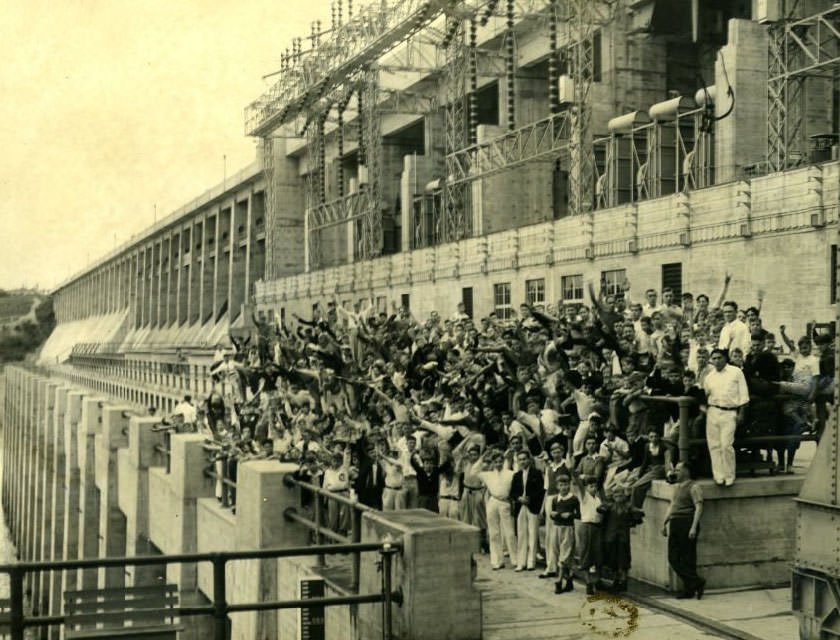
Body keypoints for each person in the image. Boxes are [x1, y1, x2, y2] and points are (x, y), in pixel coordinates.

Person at [701, 348, 749, 486]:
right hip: (713, 412)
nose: (716, 361)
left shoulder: (736, 372)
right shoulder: (709, 377)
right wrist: (704, 410)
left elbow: (743, 395)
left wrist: (741, 413)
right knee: (714, 445)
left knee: (726, 445)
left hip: (730, 412)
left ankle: (729, 475)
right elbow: (703, 396)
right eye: (714, 358)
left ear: (725, 358)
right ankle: (718, 475)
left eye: (719, 358)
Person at [662, 462, 705, 599]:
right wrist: (664, 522)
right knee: (673, 557)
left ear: (686, 471)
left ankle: (690, 589)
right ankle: (696, 582)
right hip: (675, 522)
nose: (675, 472)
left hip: (687, 522)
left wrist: (693, 527)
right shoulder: (676, 487)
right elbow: (671, 506)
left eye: (678, 470)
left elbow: (698, 507)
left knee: (688, 557)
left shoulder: (694, 487)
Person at [479, 450, 517, 570]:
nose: (498, 463)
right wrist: (483, 457)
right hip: (493, 501)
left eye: (500, 461)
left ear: (504, 461)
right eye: (496, 462)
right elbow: (473, 471)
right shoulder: (488, 474)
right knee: (494, 532)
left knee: (509, 532)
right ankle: (496, 561)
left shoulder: (510, 474)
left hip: (505, 502)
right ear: (493, 463)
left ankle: (515, 560)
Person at [510, 450, 545, 571]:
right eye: (520, 459)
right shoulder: (516, 475)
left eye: (525, 459)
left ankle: (531, 561)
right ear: (518, 461)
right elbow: (512, 492)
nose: (523, 461)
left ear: (529, 460)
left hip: (532, 506)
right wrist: (519, 498)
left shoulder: (537, 473)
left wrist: (530, 499)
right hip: (520, 506)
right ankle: (521, 562)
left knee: (533, 534)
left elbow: (541, 491)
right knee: (521, 534)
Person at [548, 473, 580, 594]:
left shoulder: (573, 499)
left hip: (568, 529)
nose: (564, 487)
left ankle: (559, 581)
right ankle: (569, 580)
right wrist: (553, 514)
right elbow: (552, 513)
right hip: (556, 528)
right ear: (557, 486)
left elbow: (579, 514)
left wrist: (570, 515)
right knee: (557, 553)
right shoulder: (555, 499)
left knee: (565, 556)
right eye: (561, 485)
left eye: (566, 484)